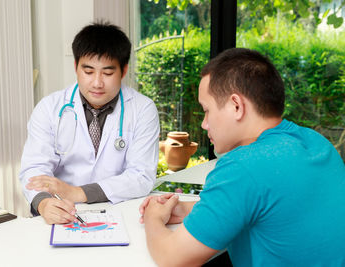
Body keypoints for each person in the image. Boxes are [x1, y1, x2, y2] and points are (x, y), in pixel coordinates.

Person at [139, 48, 345, 266]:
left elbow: (172, 259)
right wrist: (182, 208)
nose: (204, 123)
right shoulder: (317, 143)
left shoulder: (243, 167)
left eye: (206, 110)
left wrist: (153, 217)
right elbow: (265, 204)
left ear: (236, 106)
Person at [19, 22, 160, 224]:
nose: (97, 83)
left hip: (119, 213)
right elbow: (34, 169)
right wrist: (43, 204)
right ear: (76, 67)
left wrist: (78, 193)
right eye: (88, 71)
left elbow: (141, 176)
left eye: (108, 73)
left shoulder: (143, 109)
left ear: (124, 70)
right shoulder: (49, 108)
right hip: (61, 212)